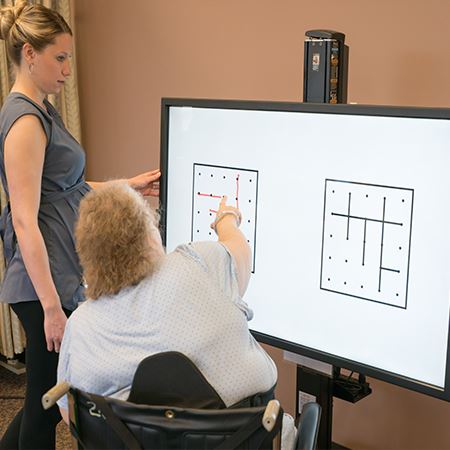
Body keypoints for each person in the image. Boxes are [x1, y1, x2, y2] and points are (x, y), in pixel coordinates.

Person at [0, 2, 160, 449]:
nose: (68, 69)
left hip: (53, 275)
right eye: (60, 57)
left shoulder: (42, 111)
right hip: (39, 284)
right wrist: (51, 308)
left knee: (42, 401)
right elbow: (24, 222)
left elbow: (64, 185)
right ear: (29, 54)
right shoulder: (26, 122)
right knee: (47, 404)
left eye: (69, 57)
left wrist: (125, 186)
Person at [56, 181, 278, 420]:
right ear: (149, 236)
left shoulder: (80, 325)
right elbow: (240, 252)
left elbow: (71, 415)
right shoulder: (197, 262)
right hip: (246, 438)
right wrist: (226, 218)